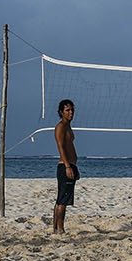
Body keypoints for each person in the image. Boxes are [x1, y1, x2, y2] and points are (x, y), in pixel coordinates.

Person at [52, 98, 78, 234]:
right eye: (68, 110)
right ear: (61, 112)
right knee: (62, 200)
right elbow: (60, 146)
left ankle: (56, 229)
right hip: (65, 166)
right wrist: (67, 166)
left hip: (70, 165)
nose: (71, 112)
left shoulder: (68, 126)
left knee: (61, 199)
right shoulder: (61, 126)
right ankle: (60, 229)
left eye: (72, 109)